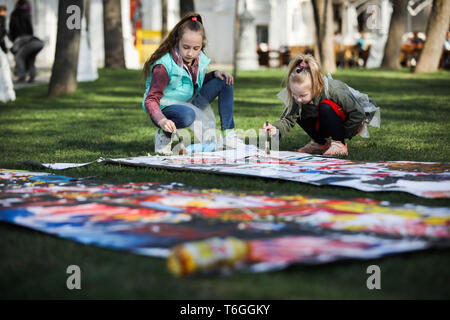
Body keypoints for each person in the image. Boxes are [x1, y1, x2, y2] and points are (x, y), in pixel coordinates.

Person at [142, 13, 245, 155]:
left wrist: (215, 74)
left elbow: (194, 80)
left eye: (196, 48)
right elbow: (151, 99)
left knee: (225, 81)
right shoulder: (164, 66)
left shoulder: (198, 60)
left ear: (202, 45)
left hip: (189, 101)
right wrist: (162, 121)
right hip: (165, 108)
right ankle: (163, 134)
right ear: (177, 41)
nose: (190, 53)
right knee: (187, 115)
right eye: (186, 47)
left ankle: (228, 134)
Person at [263, 54, 366, 156]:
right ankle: (320, 143)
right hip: (322, 122)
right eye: (294, 94)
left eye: (303, 95)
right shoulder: (299, 98)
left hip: (345, 122)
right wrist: (275, 129)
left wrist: (342, 133)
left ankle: (339, 144)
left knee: (325, 106)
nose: (298, 99)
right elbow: (288, 119)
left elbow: (358, 113)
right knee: (298, 110)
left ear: (316, 86)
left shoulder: (334, 90)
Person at [9, 0, 43, 83]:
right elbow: (30, 28)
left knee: (18, 57)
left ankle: (22, 76)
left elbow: (12, 28)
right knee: (30, 59)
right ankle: (32, 76)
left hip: (22, 39)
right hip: (35, 41)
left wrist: (13, 39)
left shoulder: (14, 14)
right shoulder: (27, 14)